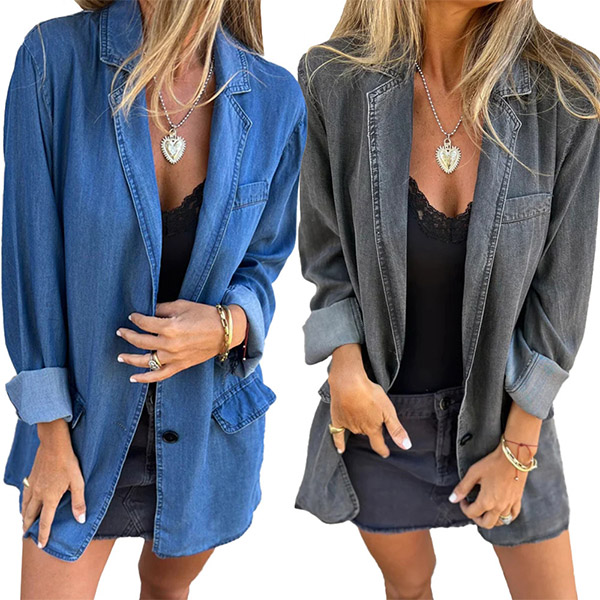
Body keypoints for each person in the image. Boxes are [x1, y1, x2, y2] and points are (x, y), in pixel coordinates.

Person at [294, 0, 600, 598]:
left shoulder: (568, 93)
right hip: (382, 424)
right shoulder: (334, 81)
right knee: (409, 588)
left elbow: (563, 292)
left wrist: (519, 449)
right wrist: (345, 366)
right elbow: (328, 256)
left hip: (507, 419)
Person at [1, 0, 306, 596]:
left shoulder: (275, 98)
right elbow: (29, 262)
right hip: (79, 432)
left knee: (166, 590)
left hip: (207, 434)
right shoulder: (53, 61)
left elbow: (264, 261)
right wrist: (51, 434)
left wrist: (227, 325)